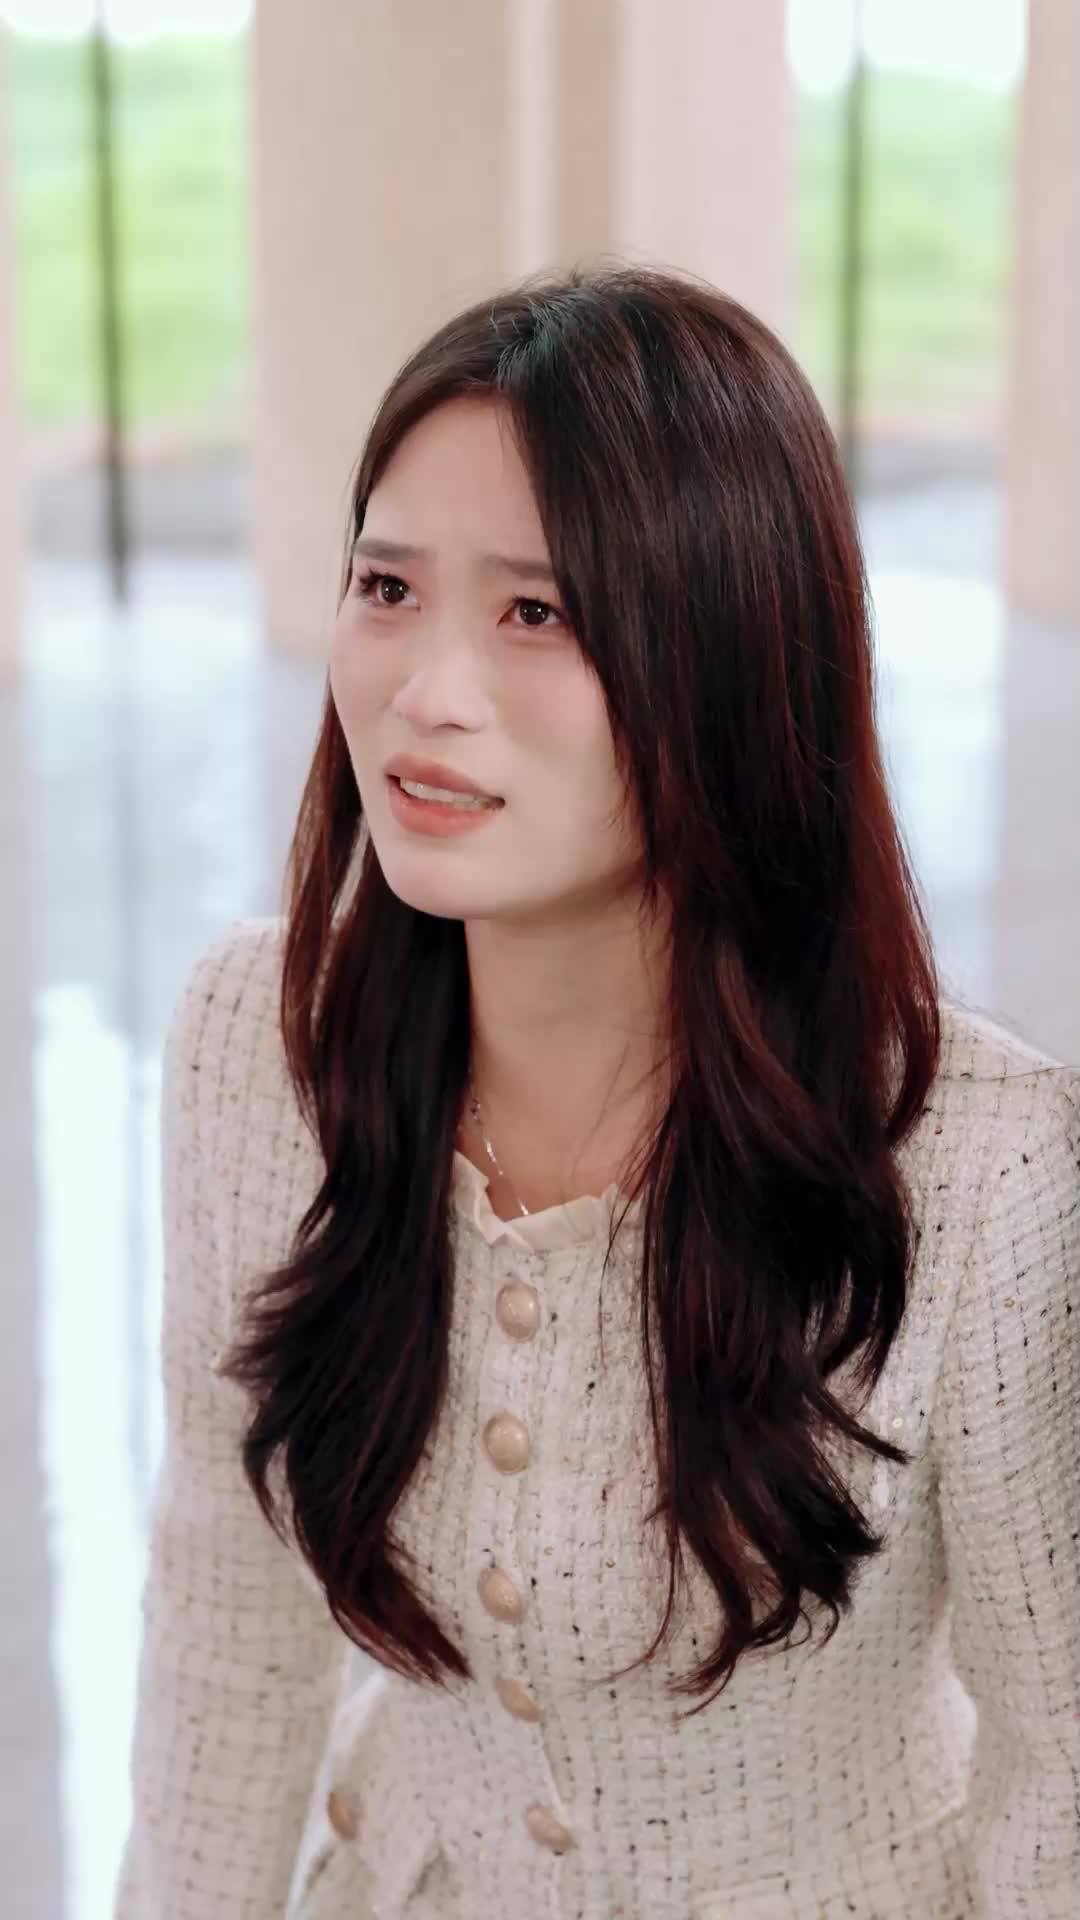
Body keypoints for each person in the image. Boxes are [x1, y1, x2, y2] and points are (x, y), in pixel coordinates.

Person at [114, 265, 1079, 1920]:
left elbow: (1065, 1780)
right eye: (387, 585)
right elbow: (228, 1620)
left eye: (536, 614)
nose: (426, 691)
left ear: (732, 664)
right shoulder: (257, 1052)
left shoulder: (984, 1171)